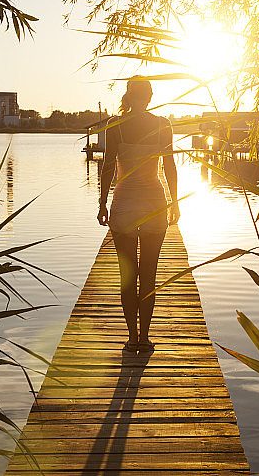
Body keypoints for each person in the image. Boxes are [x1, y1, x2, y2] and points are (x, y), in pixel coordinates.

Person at [97, 77, 179, 354]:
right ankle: (144, 337)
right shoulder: (162, 125)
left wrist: (102, 203)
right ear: (151, 96)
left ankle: (132, 338)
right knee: (149, 275)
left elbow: (108, 167)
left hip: (124, 204)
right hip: (155, 203)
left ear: (129, 97)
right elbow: (169, 165)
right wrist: (175, 202)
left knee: (127, 276)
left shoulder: (115, 126)